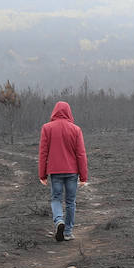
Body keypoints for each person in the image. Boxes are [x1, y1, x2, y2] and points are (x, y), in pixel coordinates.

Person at [37, 101, 89, 241]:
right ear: (69, 112)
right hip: (72, 171)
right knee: (71, 202)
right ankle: (67, 232)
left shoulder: (47, 128)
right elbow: (81, 154)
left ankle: (59, 220)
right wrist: (83, 177)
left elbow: (43, 153)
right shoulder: (76, 129)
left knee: (56, 199)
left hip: (55, 171)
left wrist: (42, 174)